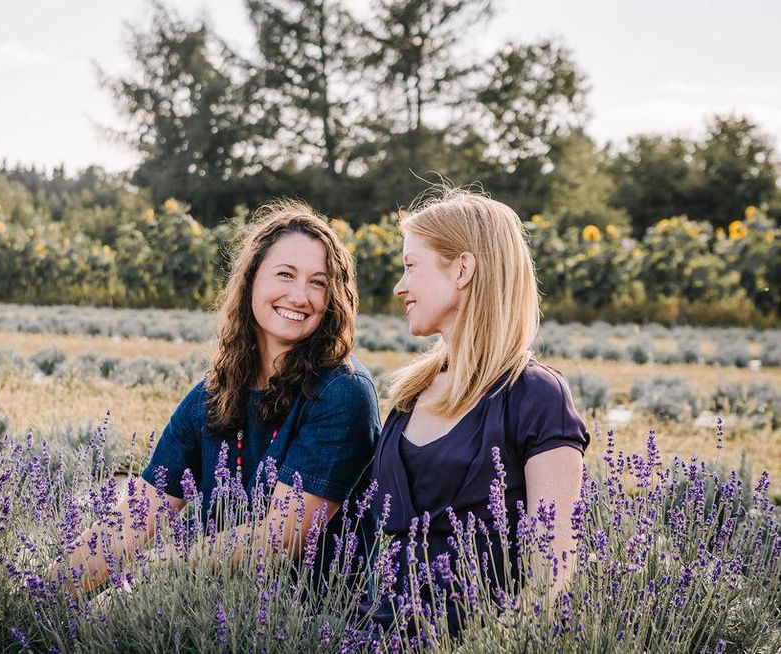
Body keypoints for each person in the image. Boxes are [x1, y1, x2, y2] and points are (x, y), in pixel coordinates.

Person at [58, 200, 381, 594]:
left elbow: (282, 538)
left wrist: (153, 571)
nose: (300, 296)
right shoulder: (213, 393)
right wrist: (44, 596)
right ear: (251, 281)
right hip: (217, 604)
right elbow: (137, 515)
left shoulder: (342, 391)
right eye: (285, 274)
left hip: (312, 619)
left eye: (318, 281)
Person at [365, 188, 589, 634]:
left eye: (411, 265)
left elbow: (554, 575)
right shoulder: (410, 393)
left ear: (463, 268)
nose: (399, 285)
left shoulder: (534, 395)